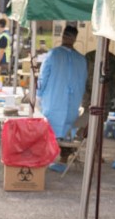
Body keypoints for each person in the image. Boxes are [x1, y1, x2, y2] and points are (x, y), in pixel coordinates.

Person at [37, 23, 86, 171]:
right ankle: (63, 159)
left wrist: (38, 95)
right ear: (75, 39)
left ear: (63, 36)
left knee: (49, 131)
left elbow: (43, 77)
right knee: (66, 133)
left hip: (53, 102)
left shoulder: (53, 55)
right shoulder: (81, 59)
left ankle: (47, 159)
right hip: (72, 104)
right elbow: (83, 81)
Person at [0, 17, 12, 82]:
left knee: (0, 81)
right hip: (3, 61)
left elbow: (1, 51)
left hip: (2, 62)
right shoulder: (4, 35)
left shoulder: (3, 37)